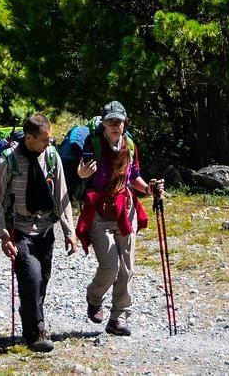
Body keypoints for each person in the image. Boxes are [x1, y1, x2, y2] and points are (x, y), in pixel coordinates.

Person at [0, 113, 76, 353]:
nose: (49, 142)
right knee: (32, 276)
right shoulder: (8, 162)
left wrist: (70, 231)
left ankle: (31, 318)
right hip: (20, 231)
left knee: (41, 281)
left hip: (46, 230)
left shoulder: (51, 157)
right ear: (29, 137)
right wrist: (4, 235)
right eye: (44, 139)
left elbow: (62, 196)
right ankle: (37, 331)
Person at [75, 100, 162, 337]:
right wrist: (81, 174)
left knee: (127, 269)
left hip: (125, 209)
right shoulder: (93, 144)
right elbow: (82, 171)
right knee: (110, 266)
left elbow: (134, 177)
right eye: (110, 121)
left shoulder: (130, 145)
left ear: (125, 123)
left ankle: (118, 318)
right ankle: (94, 298)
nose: (115, 126)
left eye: (119, 121)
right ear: (103, 124)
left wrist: (149, 190)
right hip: (99, 213)